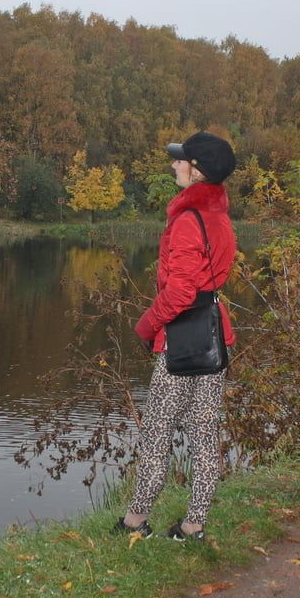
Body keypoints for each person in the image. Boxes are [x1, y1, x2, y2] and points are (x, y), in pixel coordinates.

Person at [114, 131, 237, 541]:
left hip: (182, 340)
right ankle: (193, 525)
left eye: (180, 160)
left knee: (158, 433)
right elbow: (208, 283)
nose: (173, 165)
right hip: (214, 334)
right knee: (204, 433)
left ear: (197, 170)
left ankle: (136, 521)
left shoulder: (187, 221)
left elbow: (182, 292)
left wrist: (148, 325)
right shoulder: (220, 217)